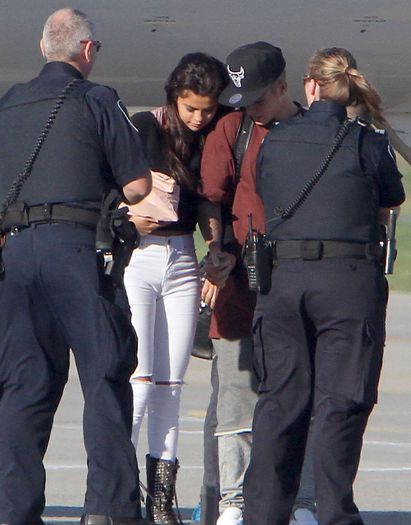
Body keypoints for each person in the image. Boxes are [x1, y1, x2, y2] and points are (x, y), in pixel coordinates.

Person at [0, 8, 152, 525]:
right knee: (104, 375)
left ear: (44, 49)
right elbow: (137, 187)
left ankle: (14, 511)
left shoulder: (10, 102)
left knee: (24, 386)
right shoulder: (97, 98)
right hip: (76, 250)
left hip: (16, 255)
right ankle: (108, 509)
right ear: (87, 51)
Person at [243, 47, 405, 525]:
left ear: (310, 87)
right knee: (342, 402)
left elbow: (267, 192)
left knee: (280, 403)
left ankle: (262, 514)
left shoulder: (275, 140)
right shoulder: (367, 142)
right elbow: (388, 203)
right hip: (348, 282)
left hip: (284, 282)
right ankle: (333, 513)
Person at [198, 42, 317, 525]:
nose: (249, 108)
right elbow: (212, 197)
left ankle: (302, 501)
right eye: (242, 98)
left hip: (297, 278)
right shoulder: (233, 128)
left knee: (301, 393)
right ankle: (232, 502)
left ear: (284, 87)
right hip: (242, 279)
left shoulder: (313, 131)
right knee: (236, 395)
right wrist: (217, 250)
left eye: (258, 99)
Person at [122, 53, 231, 525]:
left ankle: (161, 501)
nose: (199, 117)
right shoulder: (144, 126)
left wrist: (216, 251)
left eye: (206, 108)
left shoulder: (214, 135)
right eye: (191, 108)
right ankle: (115, 490)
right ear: (174, 96)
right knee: (140, 381)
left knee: (171, 385)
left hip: (183, 257)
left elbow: (210, 201)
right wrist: (129, 214)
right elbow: (110, 184)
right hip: (141, 257)